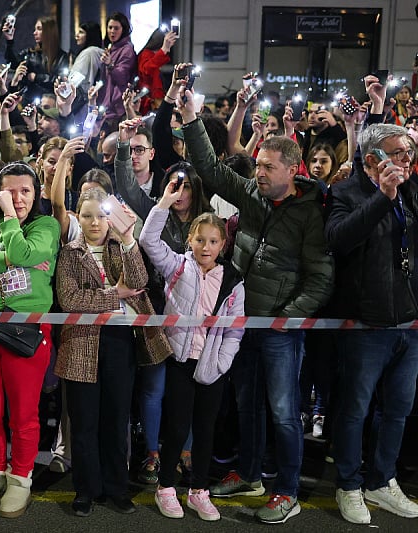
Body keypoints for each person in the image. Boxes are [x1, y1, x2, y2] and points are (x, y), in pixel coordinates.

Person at [178, 71, 334, 524]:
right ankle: (249, 474)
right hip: (240, 322)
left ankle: (287, 490)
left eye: (268, 167)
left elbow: (320, 278)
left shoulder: (311, 213)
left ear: (293, 169)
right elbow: (210, 168)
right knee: (246, 403)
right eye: (258, 165)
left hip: (279, 329)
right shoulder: (252, 194)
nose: (259, 172)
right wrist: (191, 118)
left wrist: (287, 318)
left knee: (284, 411)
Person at [55, 188, 170, 517]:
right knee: (84, 423)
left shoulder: (122, 246)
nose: (95, 222)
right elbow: (70, 300)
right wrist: (114, 294)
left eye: (102, 215)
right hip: (80, 343)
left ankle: (117, 489)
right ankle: (85, 490)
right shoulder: (69, 253)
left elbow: (139, 281)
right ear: (78, 217)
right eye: (88, 215)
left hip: (120, 342)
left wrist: (130, 239)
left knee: (116, 421)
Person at [325, 120, 418, 525]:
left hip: (409, 325)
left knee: (397, 409)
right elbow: (339, 239)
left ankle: (383, 481)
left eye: (409, 153)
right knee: (354, 410)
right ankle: (348, 484)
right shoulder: (344, 192)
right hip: (366, 324)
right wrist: (383, 196)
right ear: (374, 155)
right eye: (398, 153)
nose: (407, 161)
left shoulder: (413, 191)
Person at [139, 183, 245, 522]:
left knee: (206, 428)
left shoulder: (233, 280)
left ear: (223, 244)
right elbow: (148, 242)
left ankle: (199, 490)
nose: (206, 247)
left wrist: (223, 362)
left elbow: (235, 328)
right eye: (200, 240)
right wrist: (165, 204)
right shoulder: (178, 268)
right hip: (180, 362)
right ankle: (166, 487)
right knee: (177, 426)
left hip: (211, 366)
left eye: (213, 241)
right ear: (189, 241)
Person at [0, 161, 59, 518]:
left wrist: (11, 236)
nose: (17, 199)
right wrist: (11, 258)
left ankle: (21, 478)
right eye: (9, 192)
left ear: (36, 194)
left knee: (23, 414)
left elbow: (25, 253)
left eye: (25, 191)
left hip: (28, 330)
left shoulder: (47, 225)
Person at [3, 16, 68, 102]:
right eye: (35, 29)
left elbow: (61, 80)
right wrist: (9, 40)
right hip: (29, 101)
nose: (34, 33)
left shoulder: (61, 56)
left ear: (48, 31)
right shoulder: (30, 53)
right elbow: (12, 63)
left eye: (39, 29)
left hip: (51, 102)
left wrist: (37, 77)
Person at [98, 12, 137, 126]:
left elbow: (122, 77)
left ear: (123, 29)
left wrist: (110, 64)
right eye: (110, 27)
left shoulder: (126, 50)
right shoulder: (111, 47)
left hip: (116, 108)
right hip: (107, 106)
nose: (112, 31)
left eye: (116, 28)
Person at [137, 28, 179, 114]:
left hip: (156, 101)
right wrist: (163, 50)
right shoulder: (147, 54)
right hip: (149, 104)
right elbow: (146, 70)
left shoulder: (154, 55)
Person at [69, 22, 104, 95]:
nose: (77, 36)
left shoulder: (87, 53)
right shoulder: (99, 53)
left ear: (90, 35)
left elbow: (75, 79)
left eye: (81, 32)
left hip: (83, 97)